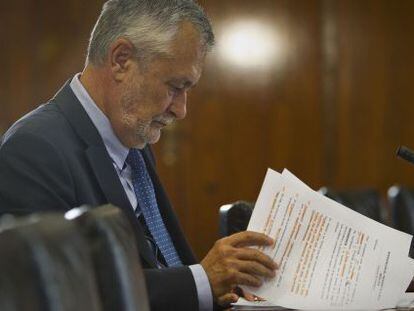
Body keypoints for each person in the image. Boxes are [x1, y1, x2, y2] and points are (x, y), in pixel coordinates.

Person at [0, 0, 277, 310]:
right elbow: (58, 294)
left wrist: (220, 284)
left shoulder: (130, 139)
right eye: (175, 86)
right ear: (121, 60)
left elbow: (155, 267)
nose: (181, 109)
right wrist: (201, 280)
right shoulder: (33, 149)